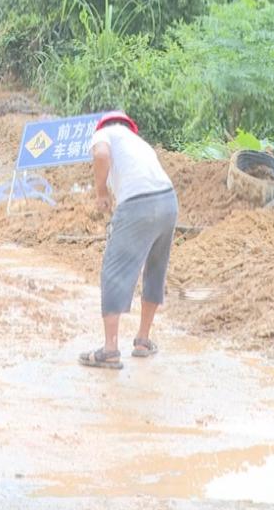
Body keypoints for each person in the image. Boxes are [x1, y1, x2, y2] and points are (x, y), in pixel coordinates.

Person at [79, 111, 178, 370]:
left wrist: (101, 193)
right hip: (168, 201)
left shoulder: (105, 134)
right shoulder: (139, 143)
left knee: (113, 270)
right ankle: (143, 341)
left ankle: (110, 349)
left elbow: (100, 154)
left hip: (138, 204)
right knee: (156, 270)